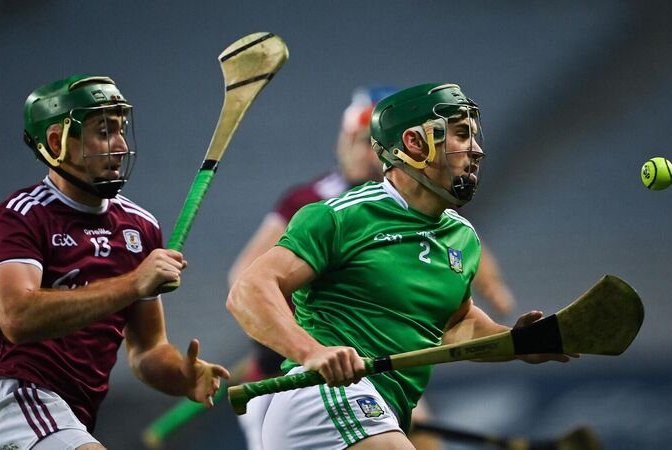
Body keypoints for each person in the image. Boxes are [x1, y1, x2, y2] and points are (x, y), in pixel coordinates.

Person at [227, 82, 574, 449]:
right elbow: (247, 289)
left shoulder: (463, 238)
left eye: (473, 136)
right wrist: (311, 351)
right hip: (324, 398)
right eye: (461, 134)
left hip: (383, 406)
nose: (476, 150)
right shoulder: (340, 216)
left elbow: (455, 324)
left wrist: (514, 343)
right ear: (414, 143)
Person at [0, 75, 230, 450]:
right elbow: (17, 317)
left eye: (120, 130)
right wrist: (133, 283)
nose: (121, 146)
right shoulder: (21, 217)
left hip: (71, 418)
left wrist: (182, 375)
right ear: (55, 142)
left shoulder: (139, 226)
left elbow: (147, 350)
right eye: (104, 133)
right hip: (18, 406)